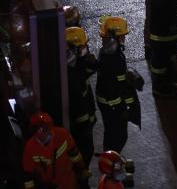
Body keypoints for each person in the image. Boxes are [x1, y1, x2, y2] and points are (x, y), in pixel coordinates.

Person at [96, 16, 142, 152]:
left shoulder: (109, 53)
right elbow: (116, 88)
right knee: (118, 137)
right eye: (122, 36)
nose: (124, 39)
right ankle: (111, 162)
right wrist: (124, 109)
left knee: (111, 135)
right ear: (113, 38)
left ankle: (109, 157)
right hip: (113, 107)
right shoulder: (114, 59)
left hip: (110, 105)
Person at [21, 112, 88, 189]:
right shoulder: (30, 148)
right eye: (36, 129)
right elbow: (27, 175)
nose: (40, 132)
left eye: (43, 128)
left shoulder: (62, 135)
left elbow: (74, 155)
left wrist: (82, 169)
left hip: (69, 183)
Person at [64, 26, 99, 167]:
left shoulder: (74, 65)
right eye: (83, 46)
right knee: (86, 152)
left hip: (85, 123)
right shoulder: (71, 77)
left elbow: (86, 71)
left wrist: (90, 62)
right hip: (81, 128)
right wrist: (86, 128)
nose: (87, 47)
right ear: (75, 49)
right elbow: (79, 109)